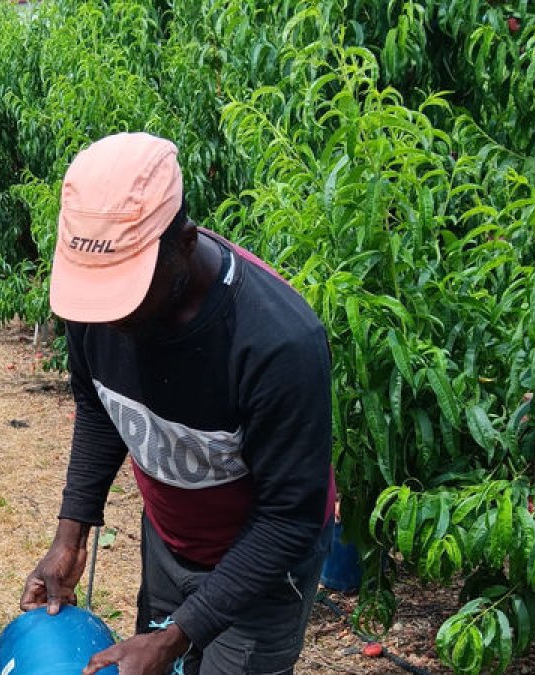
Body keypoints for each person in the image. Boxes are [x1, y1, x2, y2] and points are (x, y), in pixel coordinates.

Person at [19, 132, 336, 675]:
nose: (109, 320)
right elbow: (99, 406)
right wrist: (70, 535)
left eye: (129, 291)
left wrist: (176, 636)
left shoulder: (278, 344)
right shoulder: (95, 302)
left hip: (262, 566)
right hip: (170, 541)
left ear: (185, 243)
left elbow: (288, 520)